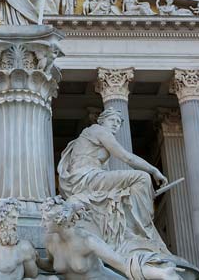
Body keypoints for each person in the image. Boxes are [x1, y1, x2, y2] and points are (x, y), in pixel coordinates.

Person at [57, 108, 169, 255]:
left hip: (90, 177)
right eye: (112, 120)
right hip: (87, 177)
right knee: (142, 177)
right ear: (101, 121)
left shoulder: (93, 136)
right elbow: (126, 157)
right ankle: (140, 229)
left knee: (129, 189)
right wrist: (153, 170)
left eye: (118, 122)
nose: (115, 124)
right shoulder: (98, 130)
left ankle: (131, 229)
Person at [40, 197, 186, 280]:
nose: (42, 223)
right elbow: (52, 265)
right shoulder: (50, 241)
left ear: (60, 221)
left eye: (46, 220)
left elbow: (124, 265)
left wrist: (160, 273)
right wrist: (36, 260)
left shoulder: (87, 241)